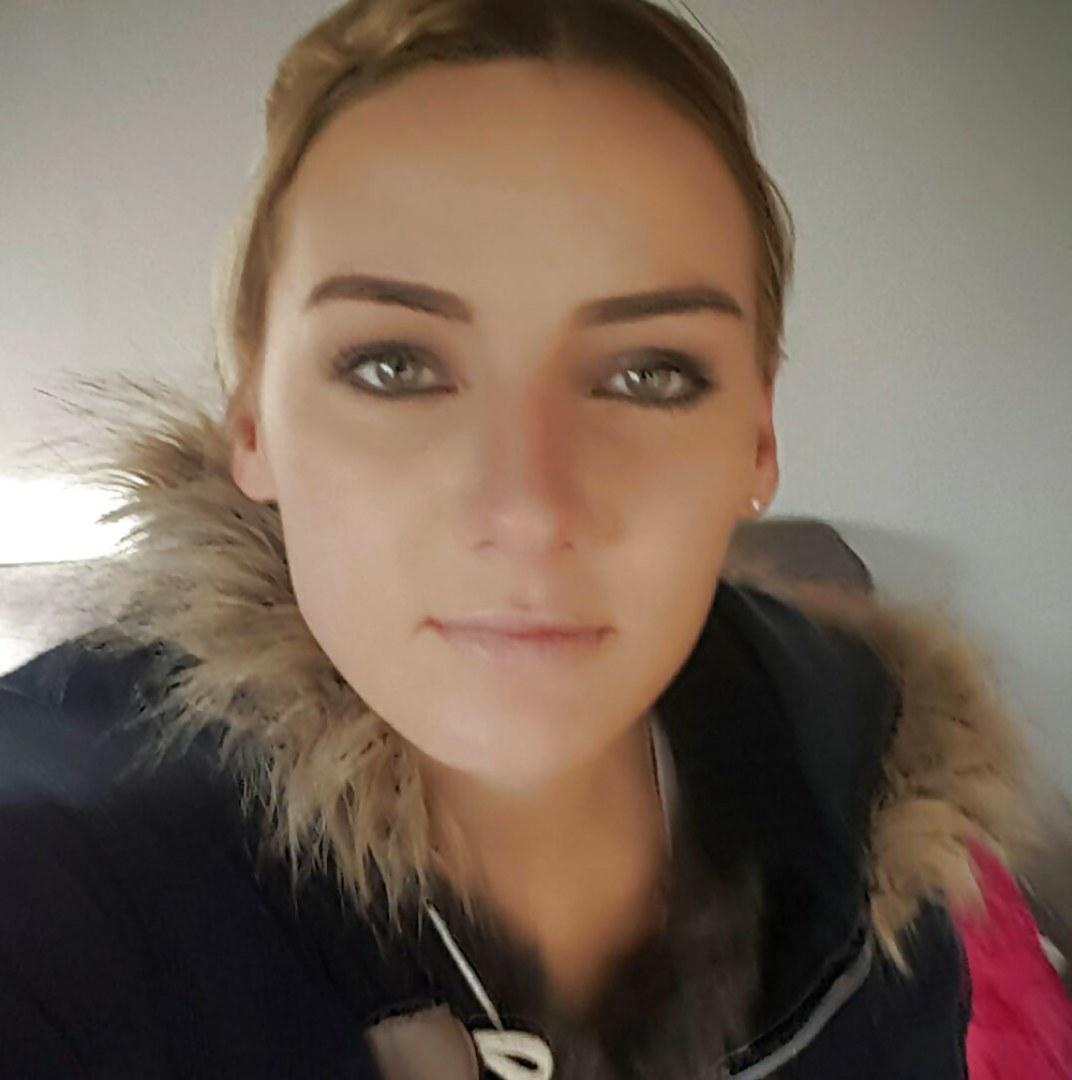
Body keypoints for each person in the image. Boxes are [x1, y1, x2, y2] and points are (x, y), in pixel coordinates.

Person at [1, 1, 1062, 1076]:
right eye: (394, 366)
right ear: (253, 426)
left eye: (648, 374)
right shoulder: (70, 870)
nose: (528, 509)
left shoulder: (875, 800)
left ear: (756, 437)